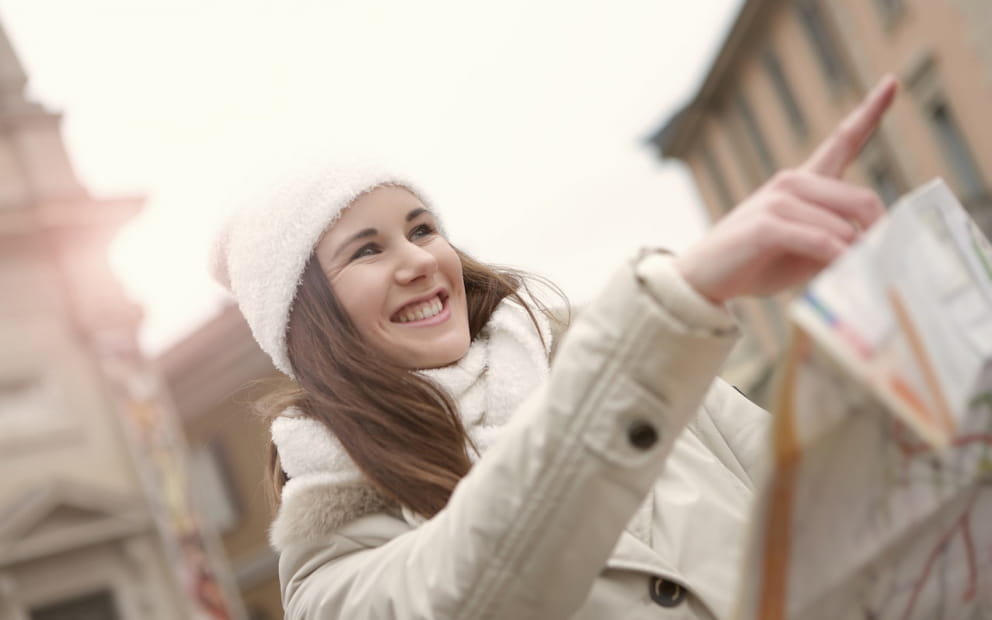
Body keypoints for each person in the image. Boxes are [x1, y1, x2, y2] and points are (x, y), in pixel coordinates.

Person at [209, 76, 898, 619]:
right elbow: (473, 589)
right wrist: (673, 302)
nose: (418, 259)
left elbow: (842, 508)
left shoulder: (611, 362)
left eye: (422, 229)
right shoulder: (327, 561)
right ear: (310, 325)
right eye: (367, 249)